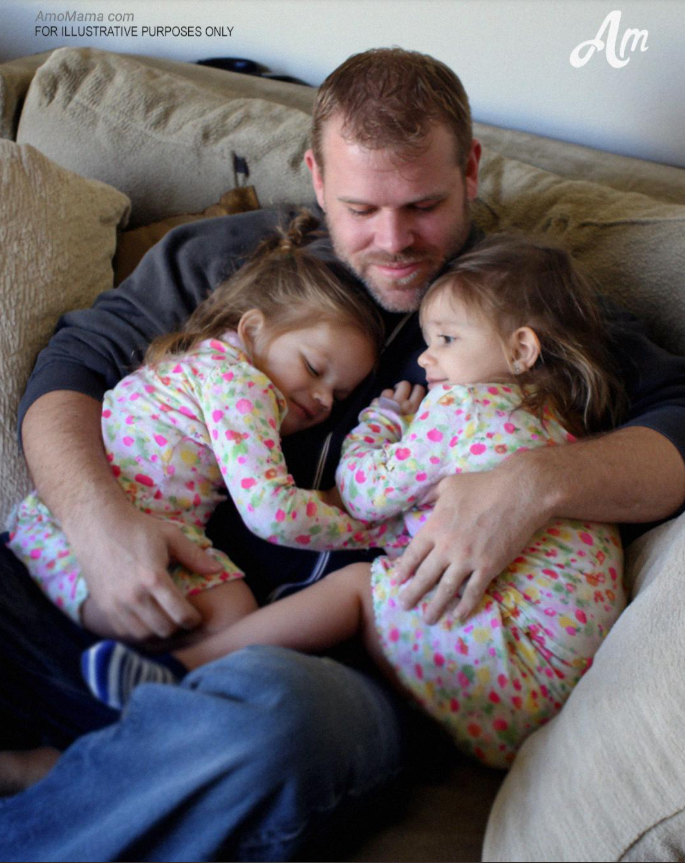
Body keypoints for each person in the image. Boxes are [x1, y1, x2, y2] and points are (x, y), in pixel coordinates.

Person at [1, 47, 685, 861]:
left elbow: (677, 422)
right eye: (361, 208)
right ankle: (107, 778)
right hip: (81, 596)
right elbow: (71, 371)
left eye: (423, 205)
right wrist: (97, 526)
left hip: (316, 682)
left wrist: (534, 481)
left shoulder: (510, 305)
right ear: (316, 177)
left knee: (278, 725)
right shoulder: (231, 259)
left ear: (469, 170)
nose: (393, 242)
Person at [81, 234, 627, 769]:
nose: (427, 358)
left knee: (359, 588)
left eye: (446, 339)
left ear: (521, 349)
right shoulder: (561, 428)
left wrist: (380, 424)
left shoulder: (465, 408)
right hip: (556, 681)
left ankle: (181, 669)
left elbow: (365, 494)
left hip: (504, 665)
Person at [7, 212, 393, 706]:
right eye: (314, 368)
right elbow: (269, 509)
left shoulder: (199, 361)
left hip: (59, 530)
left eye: (338, 397)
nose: (321, 399)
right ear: (253, 328)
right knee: (232, 615)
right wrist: (370, 531)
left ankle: (124, 692)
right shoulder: (240, 384)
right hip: (94, 542)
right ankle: (144, 689)